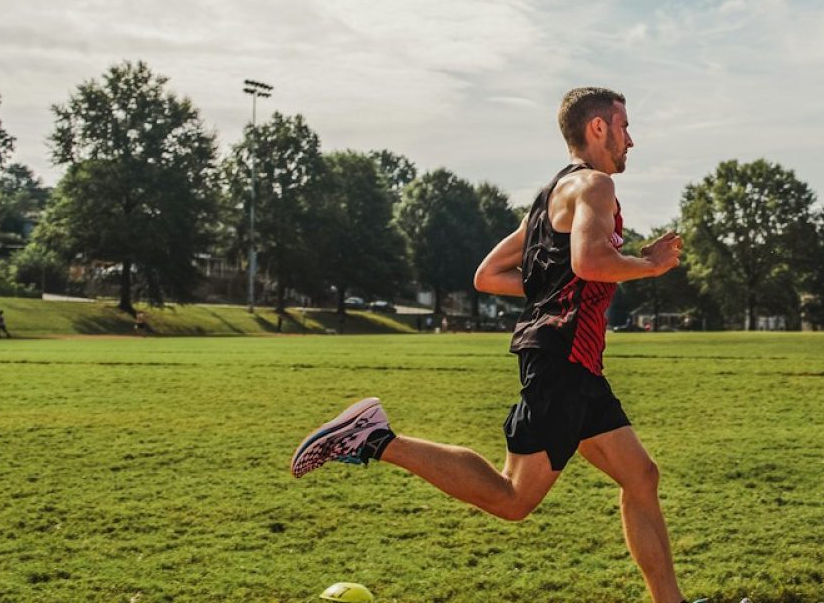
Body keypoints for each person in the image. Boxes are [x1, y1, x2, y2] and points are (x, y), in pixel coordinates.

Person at [290, 88, 699, 603]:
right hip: (562, 359)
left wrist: (560, 284)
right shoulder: (594, 186)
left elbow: (488, 275)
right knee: (512, 497)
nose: (630, 140)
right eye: (624, 126)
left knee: (641, 476)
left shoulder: (550, 195)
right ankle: (373, 438)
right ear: (597, 128)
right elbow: (590, 264)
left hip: (573, 361)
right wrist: (650, 266)